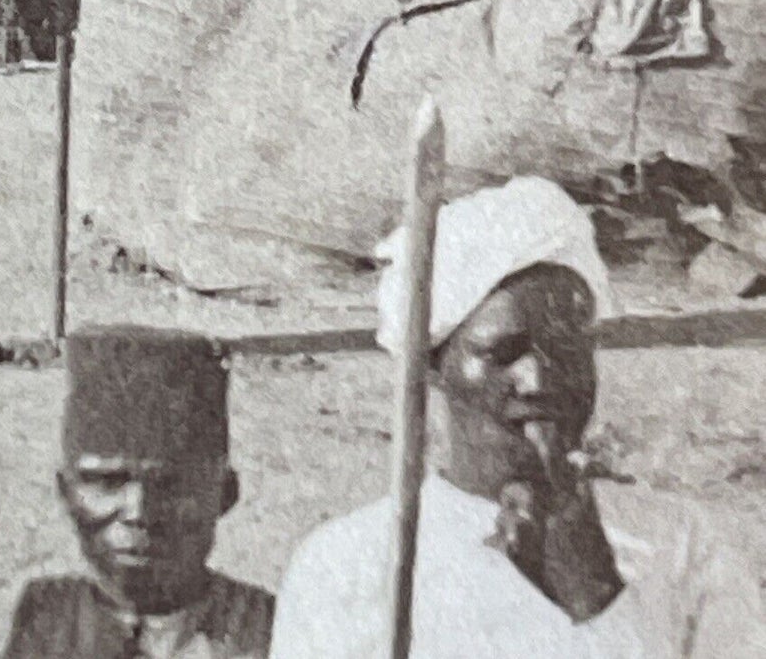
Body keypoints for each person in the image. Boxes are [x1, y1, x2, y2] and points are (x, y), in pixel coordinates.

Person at [270, 176, 766, 658]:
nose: (540, 380)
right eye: (503, 352)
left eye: (568, 347)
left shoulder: (681, 543)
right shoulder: (346, 565)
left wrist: (599, 602)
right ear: (433, 368)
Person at [2, 325, 275, 659]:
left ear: (225, 494)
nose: (139, 511)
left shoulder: (271, 631)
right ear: (66, 491)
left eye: (171, 485)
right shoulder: (39, 620)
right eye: (107, 482)